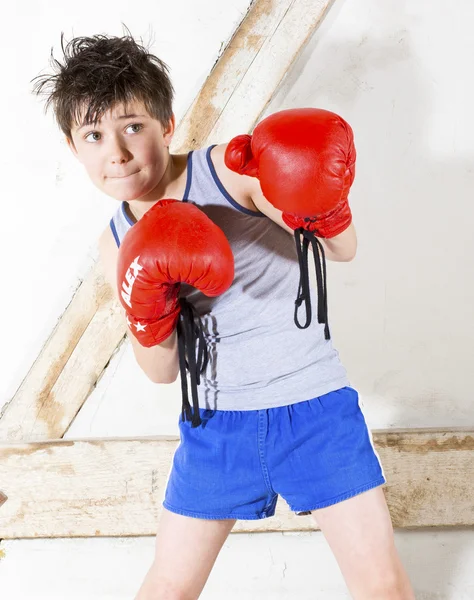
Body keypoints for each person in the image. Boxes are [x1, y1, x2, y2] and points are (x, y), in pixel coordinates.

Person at [34, 33, 415, 600]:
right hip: (216, 426)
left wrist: (324, 202)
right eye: (95, 135)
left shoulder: (232, 174)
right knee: (168, 586)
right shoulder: (117, 243)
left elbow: (341, 251)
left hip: (313, 409)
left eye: (132, 126)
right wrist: (149, 313)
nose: (117, 152)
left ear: (166, 122)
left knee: (380, 583)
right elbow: (161, 371)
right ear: (74, 147)